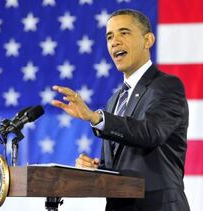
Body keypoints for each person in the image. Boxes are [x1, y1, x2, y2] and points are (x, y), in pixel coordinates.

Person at [51, 8, 190, 211]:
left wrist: (95, 117)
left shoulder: (167, 86)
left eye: (124, 33)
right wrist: (95, 169)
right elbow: (117, 167)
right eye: (109, 36)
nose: (114, 41)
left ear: (148, 40)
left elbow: (151, 133)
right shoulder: (114, 100)